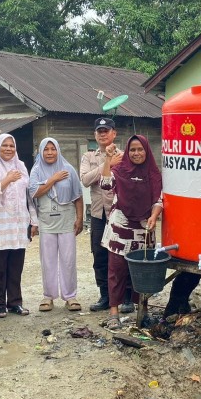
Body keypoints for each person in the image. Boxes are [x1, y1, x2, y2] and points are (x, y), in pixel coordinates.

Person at [100, 135, 163, 330]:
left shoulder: (154, 173)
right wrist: (108, 160)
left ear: (147, 151)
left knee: (144, 271)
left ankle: (142, 311)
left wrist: (154, 216)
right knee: (116, 270)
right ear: (127, 152)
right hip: (120, 229)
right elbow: (105, 184)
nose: (136, 153)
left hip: (144, 229)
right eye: (132, 150)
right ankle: (114, 313)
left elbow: (159, 200)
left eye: (140, 149)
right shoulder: (120, 168)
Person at [0, 134, 38, 318]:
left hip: (19, 225)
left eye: (11, 146)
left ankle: (15, 303)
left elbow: (28, 195)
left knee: (16, 267)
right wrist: (7, 179)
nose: (8, 149)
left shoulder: (20, 165)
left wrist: (33, 220)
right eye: (4, 145)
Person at [29, 138, 84, 312]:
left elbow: (78, 196)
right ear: (41, 151)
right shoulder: (36, 170)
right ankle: (48, 296)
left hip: (66, 219)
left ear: (58, 150)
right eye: (46, 149)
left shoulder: (68, 169)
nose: (50, 152)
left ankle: (70, 296)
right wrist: (53, 179)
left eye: (53, 149)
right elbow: (34, 192)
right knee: (48, 260)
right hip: (46, 220)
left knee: (68, 259)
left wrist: (80, 218)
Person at [80, 117, 120, 311]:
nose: (103, 134)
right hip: (98, 214)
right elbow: (85, 180)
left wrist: (110, 162)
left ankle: (125, 296)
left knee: (120, 254)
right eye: (99, 131)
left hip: (119, 213)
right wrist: (107, 163)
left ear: (114, 133)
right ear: (95, 135)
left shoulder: (124, 155)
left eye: (106, 131)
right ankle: (105, 296)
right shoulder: (88, 157)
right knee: (100, 255)